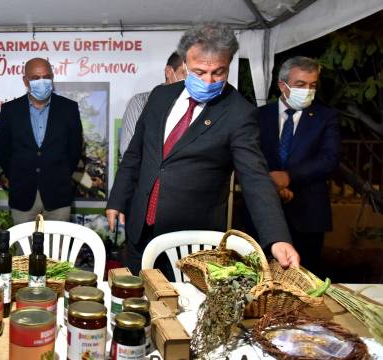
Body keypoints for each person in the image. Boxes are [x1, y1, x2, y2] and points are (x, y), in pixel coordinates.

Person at [106, 23, 300, 276]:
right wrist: (118, 199)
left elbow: (255, 178)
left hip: (191, 241)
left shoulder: (239, 113)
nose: (208, 81)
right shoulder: (160, 97)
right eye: (199, 72)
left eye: (218, 73)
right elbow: (136, 154)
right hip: (140, 229)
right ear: (184, 65)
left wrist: (277, 237)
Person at [250, 56, 340, 273]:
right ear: (283, 85)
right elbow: (250, 156)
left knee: (305, 282)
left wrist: (288, 178)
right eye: (301, 85)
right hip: (263, 213)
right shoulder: (258, 116)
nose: (308, 90)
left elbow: (329, 159)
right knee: (259, 280)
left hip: (308, 215)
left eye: (313, 85)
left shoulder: (326, 117)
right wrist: (273, 186)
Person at [0, 58, 83, 225]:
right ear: (25, 80)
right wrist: (18, 176)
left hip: (58, 196)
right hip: (22, 195)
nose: (42, 82)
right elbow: (3, 153)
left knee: (56, 250)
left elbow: (74, 151)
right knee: (24, 250)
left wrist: (60, 174)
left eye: (46, 76)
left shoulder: (69, 108)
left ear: (52, 78)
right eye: (35, 78)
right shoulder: (10, 110)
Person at [119, 52, 186, 157]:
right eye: (185, 74)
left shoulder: (199, 106)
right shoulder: (141, 102)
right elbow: (129, 151)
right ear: (169, 72)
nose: (191, 80)